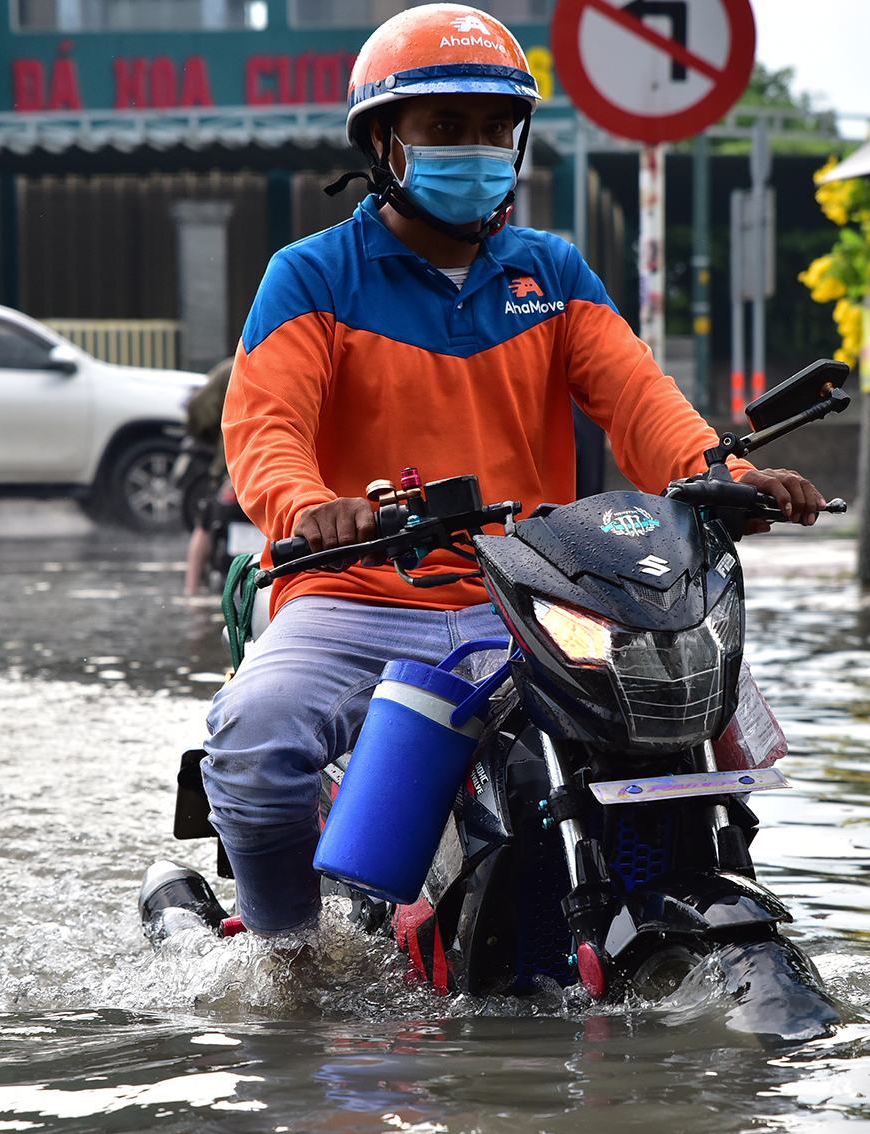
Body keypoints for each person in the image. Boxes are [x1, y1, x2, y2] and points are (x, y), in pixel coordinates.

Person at [189, 4, 823, 942]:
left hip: (527, 594)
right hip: (356, 591)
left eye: (495, 128)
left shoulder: (554, 273)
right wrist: (311, 508)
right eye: (446, 127)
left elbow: (642, 403)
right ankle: (289, 957)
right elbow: (266, 429)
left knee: (687, 713)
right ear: (384, 142)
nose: (476, 148)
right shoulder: (312, 275)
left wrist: (721, 471)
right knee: (253, 743)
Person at [182, 357, 234, 597]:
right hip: (287, 472)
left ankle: (191, 594)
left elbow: (199, 409)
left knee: (204, 526)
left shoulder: (232, 368)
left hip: (232, 469)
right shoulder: (303, 363)